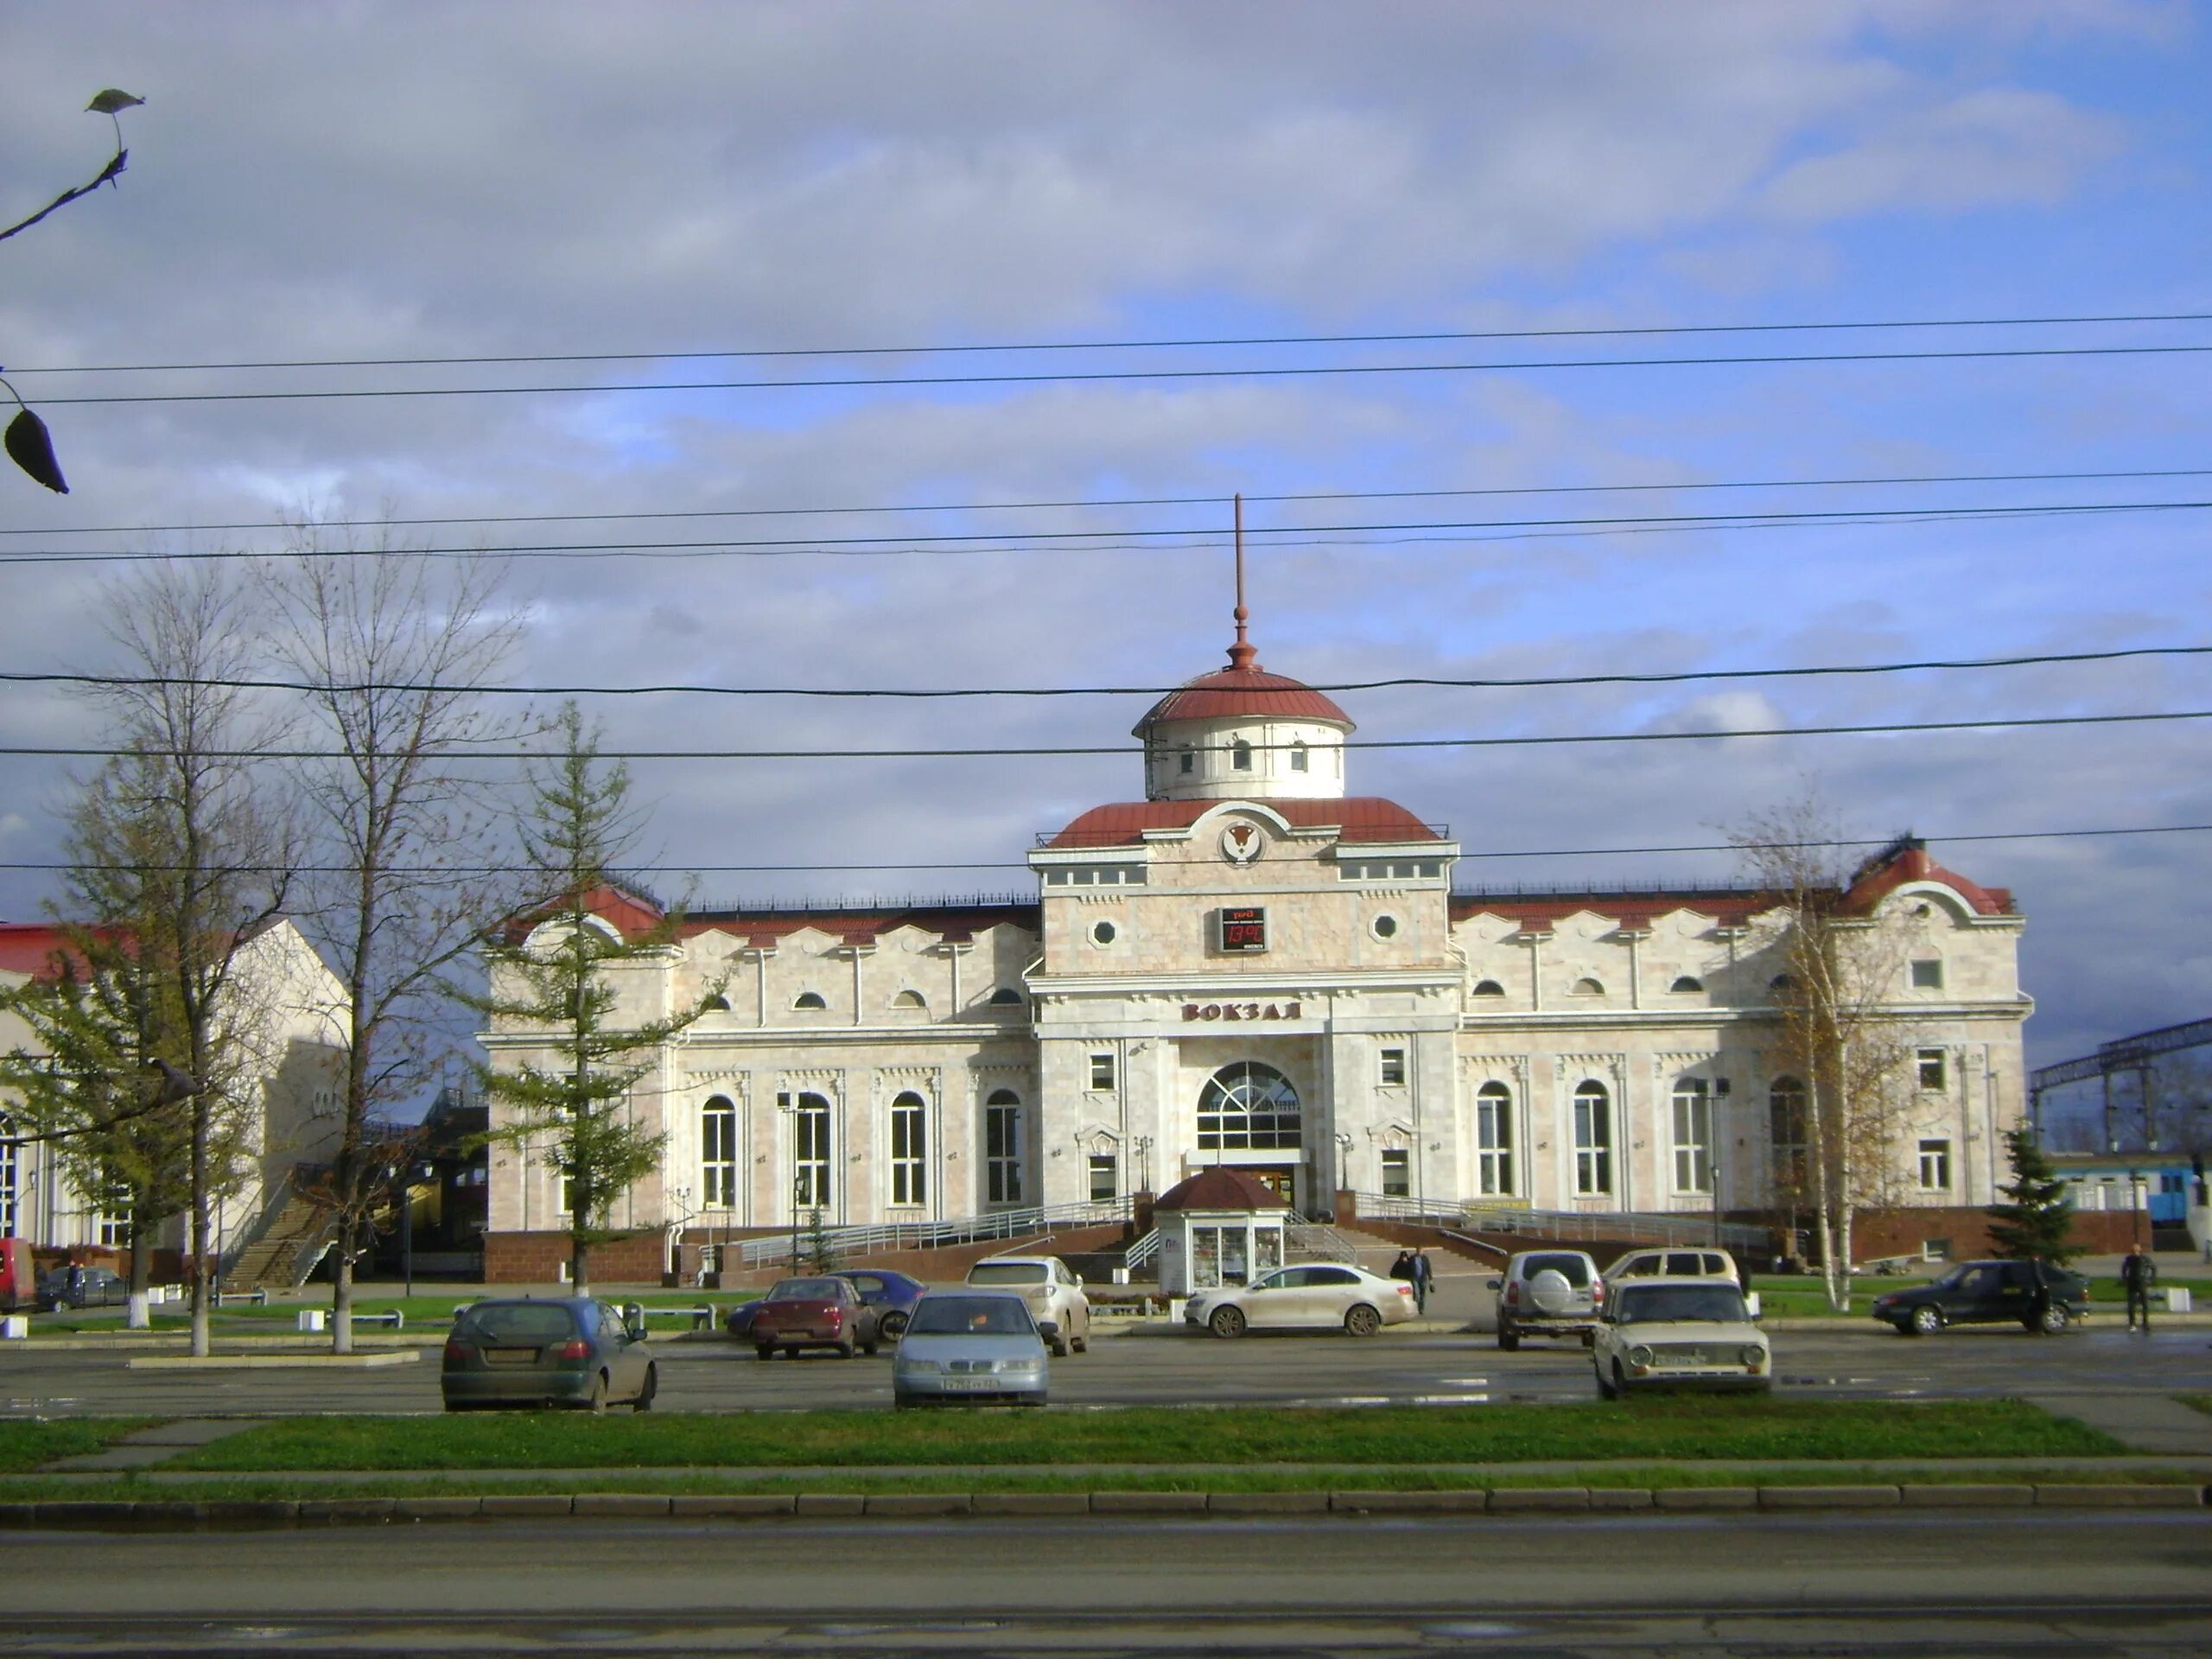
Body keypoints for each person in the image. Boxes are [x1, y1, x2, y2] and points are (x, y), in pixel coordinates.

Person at [2120, 1243, 2158, 1332]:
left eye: (2136, 1250)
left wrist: (2151, 1279)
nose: (2135, 1252)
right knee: (2131, 1304)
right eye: (2133, 1250)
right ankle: (2132, 1323)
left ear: (2140, 1250)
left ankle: (2145, 1323)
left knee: (2145, 1303)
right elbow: (2124, 1269)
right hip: (2132, 1282)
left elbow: (2153, 1268)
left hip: (2142, 1282)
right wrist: (2125, 1279)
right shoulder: (2129, 1259)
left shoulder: (2145, 1259)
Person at [1408, 1249, 1435, 1314]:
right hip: (1414, 1278)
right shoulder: (1412, 1258)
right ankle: (1415, 1305)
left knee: (1422, 1295)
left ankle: (1421, 1309)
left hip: (1423, 1278)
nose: (1419, 1252)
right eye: (1418, 1251)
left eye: (1420, 1251)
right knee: (1416, 1293)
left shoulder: (1425, 1259)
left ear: (1423, 1251)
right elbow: (1408, 1267)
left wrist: (1430, 1280)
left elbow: (1429, 1269)